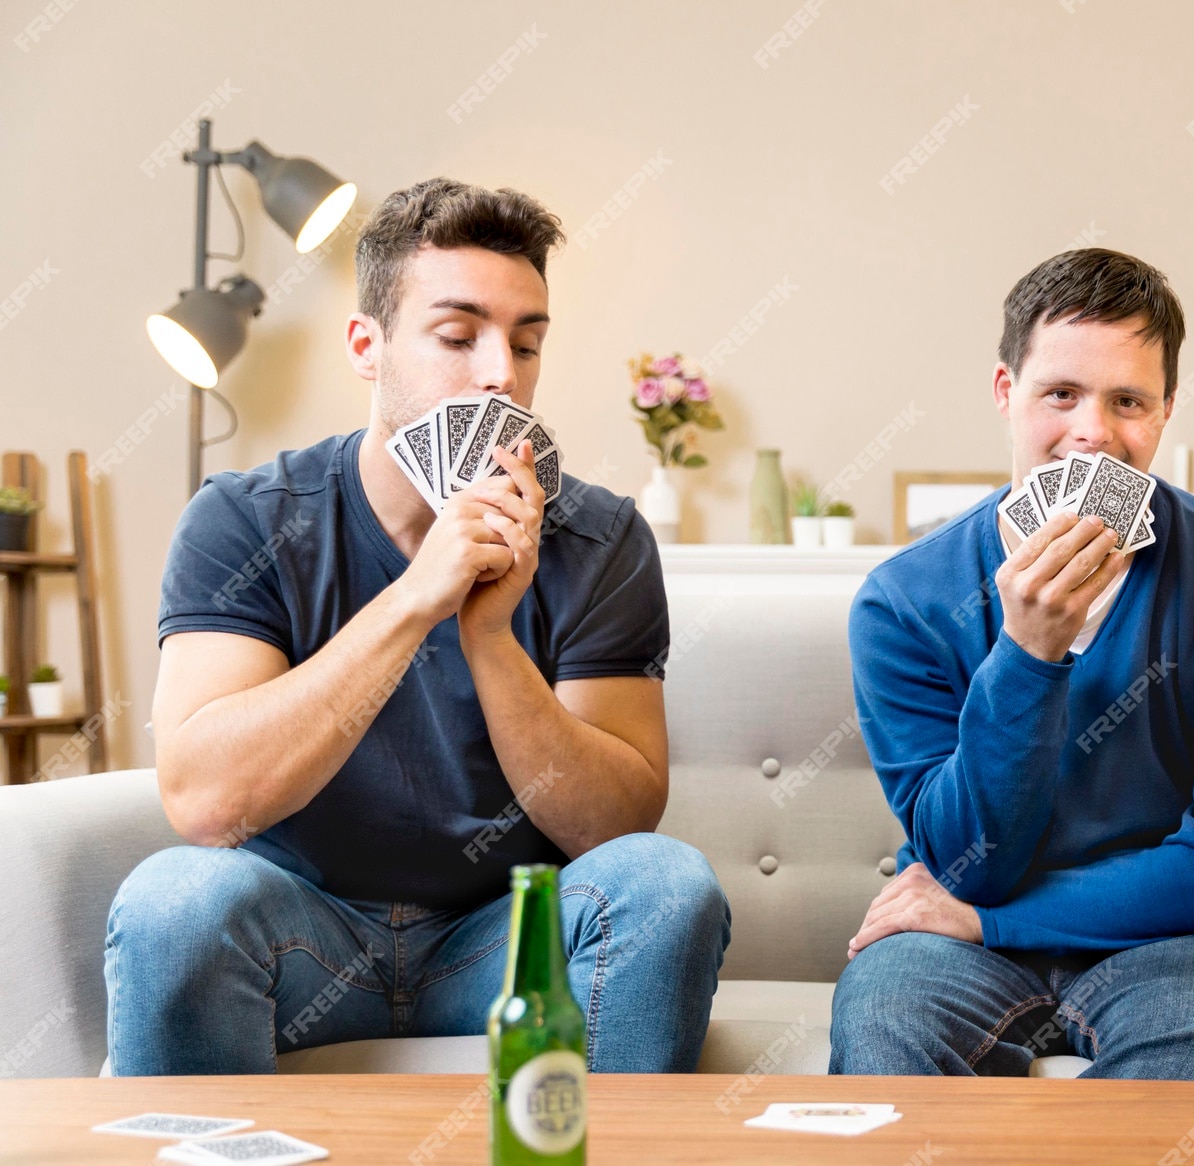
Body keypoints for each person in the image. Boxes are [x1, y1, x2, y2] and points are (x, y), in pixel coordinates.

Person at [106, 178, 729, 1075]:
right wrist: (412, 601)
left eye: (525, 343)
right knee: (174, 902)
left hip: (506, 941)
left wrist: (489, 638)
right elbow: (204, 801)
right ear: (368, 346)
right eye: (457, 336)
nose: (500, 376)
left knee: (667, 886)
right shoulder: (244, 520)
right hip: (299, 931)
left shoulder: (599, 538)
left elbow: (617, 826)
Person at [829, 248, 1194, 1079]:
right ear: (1004, 394)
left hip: (1170, 940)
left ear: (1165, 410)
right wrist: (1027, 653)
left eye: (1127, 399)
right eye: (1061, 393)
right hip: (957, 938)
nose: (1093, 432)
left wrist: (991, 922)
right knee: (883, 1014)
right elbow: (963, 863)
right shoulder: (905, 601)